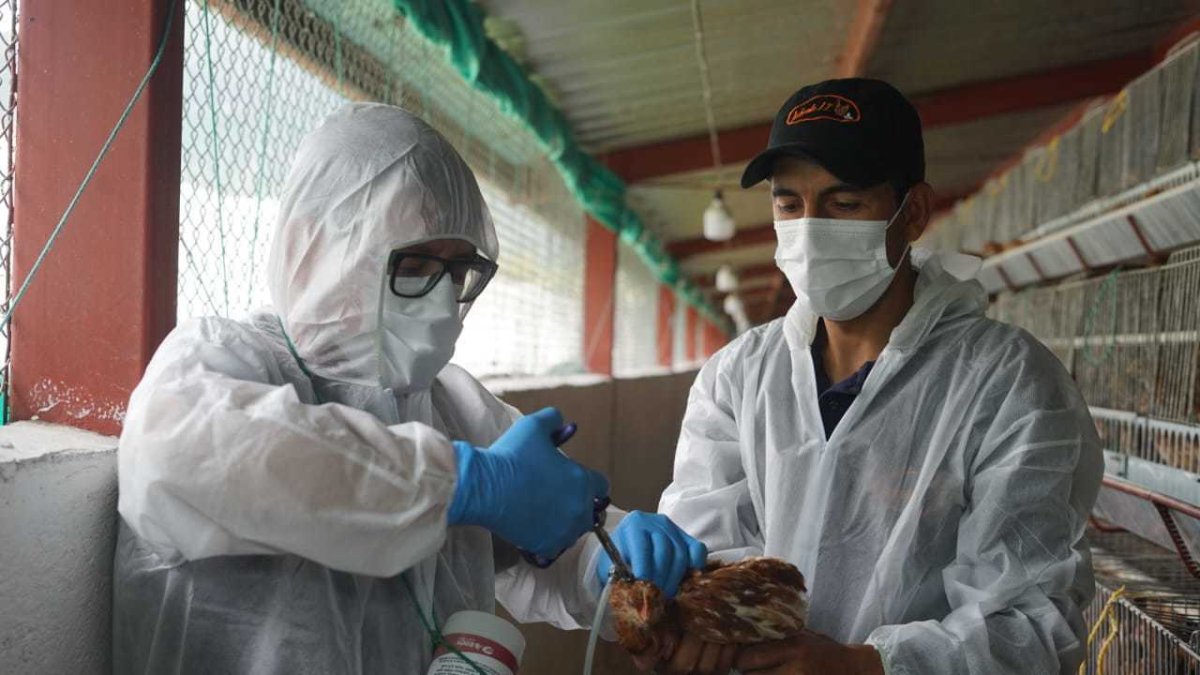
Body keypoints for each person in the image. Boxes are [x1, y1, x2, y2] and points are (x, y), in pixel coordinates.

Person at [112, 103, 703, 674]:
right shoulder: (228, 360)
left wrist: (608, 560)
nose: (444, 299)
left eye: (458, 271)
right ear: (319, 247)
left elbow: (544, 550)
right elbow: (182, 454)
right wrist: (461, 484)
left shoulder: (453, 406)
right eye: (416, 265)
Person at [611, 79, 1104, 674]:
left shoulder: (1007, 385)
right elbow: (706, 557)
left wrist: (866, 665)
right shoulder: (738, 378)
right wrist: (685, 630)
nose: (811, 230)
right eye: (789, 205)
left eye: (845, 205)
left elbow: (1033, 621)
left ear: (913, 212)